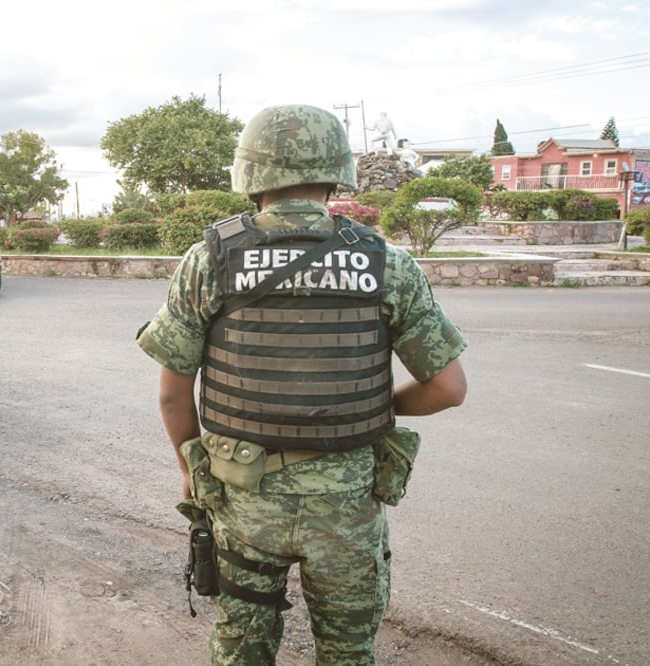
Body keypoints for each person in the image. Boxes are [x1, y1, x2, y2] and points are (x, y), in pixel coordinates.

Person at [136, 104, 468, 665]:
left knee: (241, 652)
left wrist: (190, 471)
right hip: (348, 508)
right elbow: (448, 388)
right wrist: (366, 405)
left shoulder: (210, 259)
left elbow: (174, 392)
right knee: (347, 653)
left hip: (244, 499)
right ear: (338, 170)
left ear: (250, 173)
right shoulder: (385, 263)